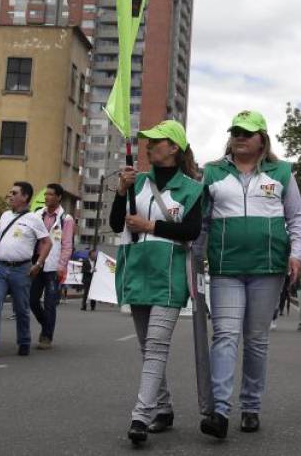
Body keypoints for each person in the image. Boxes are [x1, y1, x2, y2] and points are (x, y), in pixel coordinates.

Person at [196, 110, 301, 439]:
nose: (240, 137)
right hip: (225, 269)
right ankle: (219, 411)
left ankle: (251, 406)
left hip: (268, 269)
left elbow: (298, 219)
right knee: (225, 336)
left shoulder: (282, 172)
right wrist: (194, 261)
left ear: (262, 139)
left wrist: (297, 255)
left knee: (256, 341)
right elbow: (201, 223)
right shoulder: (212, 172)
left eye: (247, 132)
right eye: (235, 132)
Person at [109, 120, 203, 445]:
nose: (149, 146)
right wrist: (121, 191)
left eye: (156, 142)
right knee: (147, 347)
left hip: (169, 274)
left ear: (174, 147)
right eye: (147, 142)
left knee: (156, 346)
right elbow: (114, 223)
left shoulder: (192, 189)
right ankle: (163, 408)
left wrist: (151, 226)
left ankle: (140, 415)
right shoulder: (138, 182)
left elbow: (190, 231)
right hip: (136, 268)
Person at [0, 182, 51, 358]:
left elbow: (47, 242)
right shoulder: (4, 216)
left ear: (25, 197)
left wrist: (39, 264)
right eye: (10, 192)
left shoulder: (34, 219)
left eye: (14, 193)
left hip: (22, 270)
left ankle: (24, 341)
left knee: (21, 309)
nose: (10, 195)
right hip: (0, 268)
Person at [31, 183, 74, 349]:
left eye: (50, 194)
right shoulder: (37, 215)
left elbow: (67, 244)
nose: (46, 197)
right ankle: (46, 325)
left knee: (50, 302)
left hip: (53, 266)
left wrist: (61, 266)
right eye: (46, 194)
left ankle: (46, 337)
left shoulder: (66, 219)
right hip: (37, 263)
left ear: (59, 197)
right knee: (32, 300)